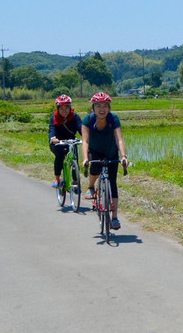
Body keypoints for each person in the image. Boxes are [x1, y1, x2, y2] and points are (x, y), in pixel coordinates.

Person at [81, 92, 128, 230]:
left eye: (105, 106)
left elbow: (119, 139)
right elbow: (85, 141)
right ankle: (90, 186)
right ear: (93, 108)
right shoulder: (88, 120)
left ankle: (114, 217)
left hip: (110, 152)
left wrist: (123, 156)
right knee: (94, 169)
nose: (102, 109)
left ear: (109, 107)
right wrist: (85, 159)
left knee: (112, 183)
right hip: (94, 151)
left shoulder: (113, 119)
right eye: (98, 106)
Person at [48, 94, 82, 188]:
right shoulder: (54, 118)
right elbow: (52, 129)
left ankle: (76, 181)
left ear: (70, 108)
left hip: (71, 141)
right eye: (61, 108)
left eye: (66, 108)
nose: (64, 111)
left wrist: (86, 136)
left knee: (75, 158)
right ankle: (57, 178)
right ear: (58, 109)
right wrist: (53, 138)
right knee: (59, 155)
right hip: (57, 142)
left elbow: (80, 127)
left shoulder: (75, 117)